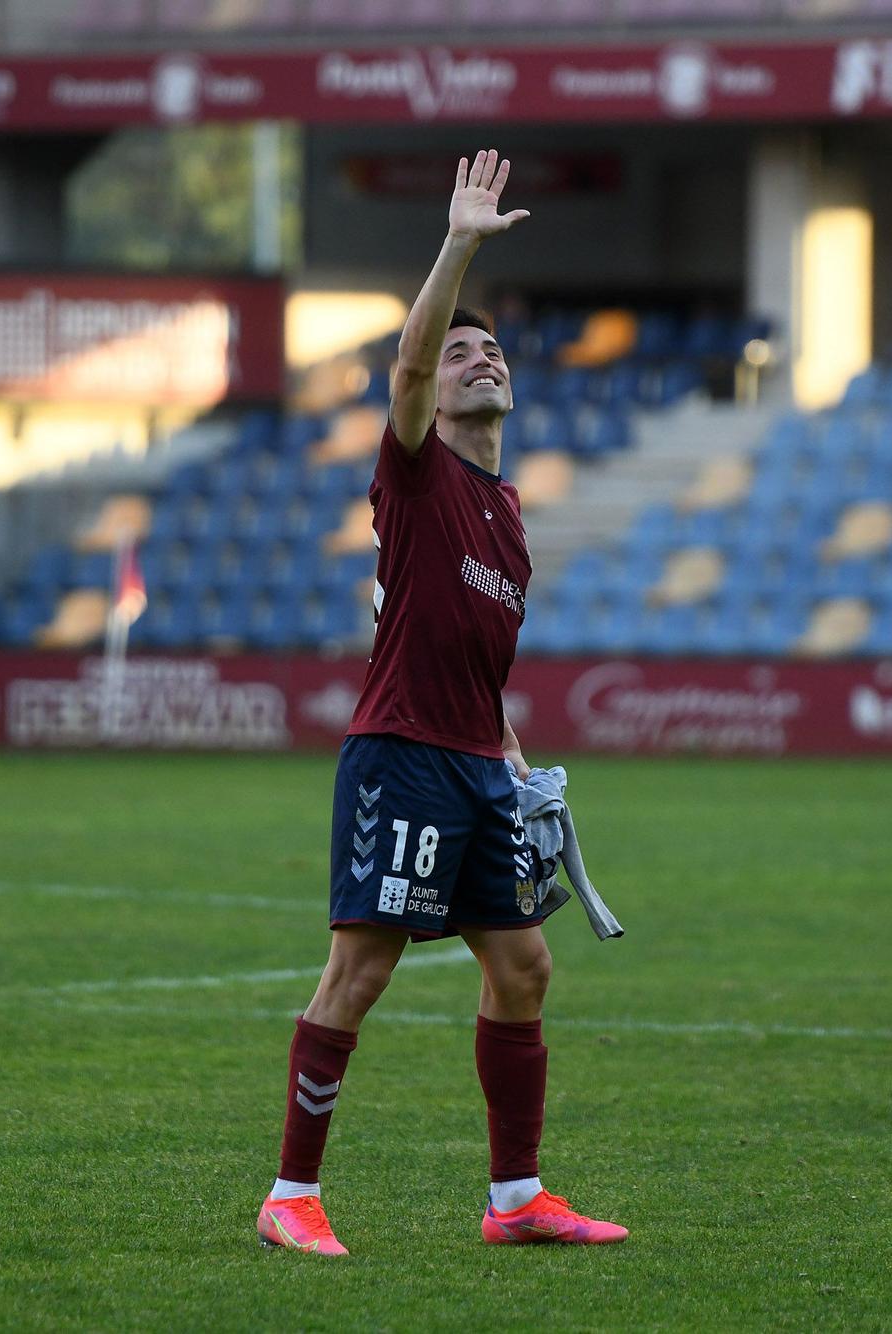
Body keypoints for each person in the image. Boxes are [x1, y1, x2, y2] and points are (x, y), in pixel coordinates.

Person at [257, 150, 627, 1253]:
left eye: (490, 349)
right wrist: (460, 240)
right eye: (459, 350)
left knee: (524, 966)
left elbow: (478, 664)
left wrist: (514, 762)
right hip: (401, 753)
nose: (474, 361)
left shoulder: (509, 513)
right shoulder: (416, 470)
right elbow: (407, 369)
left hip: (472, 759)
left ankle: (515, 1201)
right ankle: (290, 1195)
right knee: (359, 970)